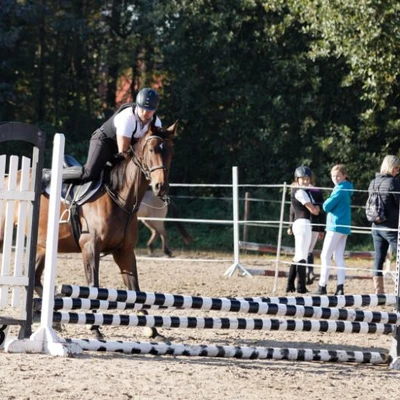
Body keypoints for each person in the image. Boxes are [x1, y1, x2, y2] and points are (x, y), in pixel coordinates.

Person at [61, 88, 162, 183]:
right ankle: (54, 175)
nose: (145, 113)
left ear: (155, 109)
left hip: (120, 148)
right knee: (89, 173)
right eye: (142, 108)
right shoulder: (128, 117)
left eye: (149, 110)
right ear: (137, 105)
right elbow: (123, 152)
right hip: (104, 141)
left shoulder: (156, 123)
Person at [315, 164, 353, 295]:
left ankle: (322, 285)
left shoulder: (339, 189)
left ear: (344, 176)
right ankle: (340, 287)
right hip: (345, 226)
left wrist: (324, 203)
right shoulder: (347, 188)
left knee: (325, 255)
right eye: (333, 176)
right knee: (338, 257)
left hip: (335, 225)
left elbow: (326, 206)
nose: (335, 178)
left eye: (338, 176)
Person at [368, 155, 400, 294]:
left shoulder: (373, 182)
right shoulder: (393, 182)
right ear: (390, 167)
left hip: (376, 226)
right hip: (391, 227)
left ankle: (379, 293)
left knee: (378, 258)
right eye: (396, 168)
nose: (397, 171)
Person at [286, 166, 320, 294]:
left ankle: (290, 285)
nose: (306, 181)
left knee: (298, 256)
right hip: (303, 224)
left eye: (307, 179)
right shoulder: (300, 192)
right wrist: (317, 208)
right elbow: (313, 210)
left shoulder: (300, 190)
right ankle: (301, 286)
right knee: (302, 256)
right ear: (297, 179)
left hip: (300, 224)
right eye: (303, 179)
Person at [306, 175, 326, 284]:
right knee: (309, 249)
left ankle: (307, 272)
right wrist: (322, 228)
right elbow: (322, 211)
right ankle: (310, 271)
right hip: (315, 224)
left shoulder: (300, 190)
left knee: (305, 250)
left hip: (308, 223)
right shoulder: (317, 191)